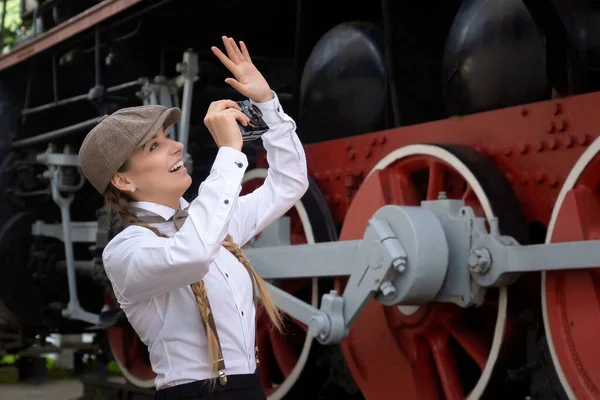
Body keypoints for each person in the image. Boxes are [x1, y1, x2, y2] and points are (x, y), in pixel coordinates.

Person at [78, 36, 309, 399]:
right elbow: (193, 255)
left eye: (167, 135)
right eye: (154, 146)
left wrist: (268, 103)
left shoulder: (212, 223)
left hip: (249, 388)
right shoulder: (125, 250)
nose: (177, 146)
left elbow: (288, 183)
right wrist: (230, 152)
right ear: (123, 180)